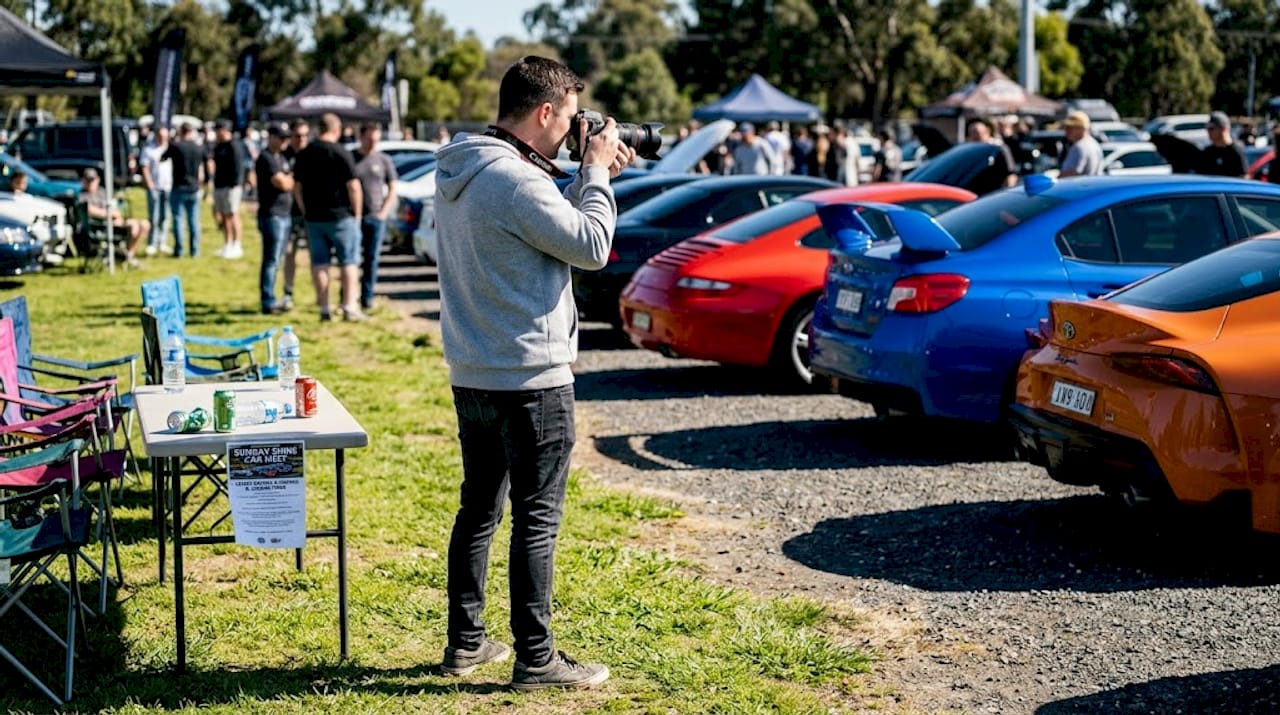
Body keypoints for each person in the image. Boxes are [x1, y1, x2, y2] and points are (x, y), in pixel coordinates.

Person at [434, 54, 634, 691]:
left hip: (474, 371)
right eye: (571, 117)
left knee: (478, 511)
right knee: (536, 521)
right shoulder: (517, 180)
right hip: (531, 379)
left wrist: (588, 180)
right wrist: (595, 173)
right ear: (545, 112)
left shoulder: (466, 168)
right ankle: (537, 658)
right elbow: (592, 248)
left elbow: (541, 232)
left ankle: (466, 643)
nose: (577, 129)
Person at [292, 113, 364, 322]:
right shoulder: (341, 152)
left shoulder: (305, 153)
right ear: (336, 129)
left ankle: (324, 308)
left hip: (314, 217)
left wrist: (305, 209)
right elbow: (353, 186)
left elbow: (297, 187)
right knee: (348, 262)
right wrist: (357, 214)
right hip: (341, 216)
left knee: (320, 264)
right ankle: (349, 307)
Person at [352, 123, 398, 312]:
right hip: (354, 217)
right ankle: (349, 295)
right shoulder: (352, 158)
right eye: (369, 139)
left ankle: (367, 296)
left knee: (371, 259)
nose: (372, 142)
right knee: (352, 259)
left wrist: (383, 213)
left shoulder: (383, 160)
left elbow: (393, 188)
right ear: (361, 137)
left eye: (376, 139)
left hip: (375, 217)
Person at [254, 123, 294, 315]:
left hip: (284, 213)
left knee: (278, 258)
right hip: (272, 214)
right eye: (282, 137)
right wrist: (289, 180)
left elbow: (289, 180)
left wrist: (289, 180)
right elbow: (283, 183)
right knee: (271, 259)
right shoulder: (266, 158)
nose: (285, 141)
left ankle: (273, 297)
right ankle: (268, 300)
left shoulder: (281, 157)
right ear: (271, 137)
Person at [78, 168, 148, 268]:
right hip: (99, 227)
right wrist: (109, 214)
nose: (91, 183)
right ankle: (127, 257)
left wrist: (113, 215)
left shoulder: (103, 192)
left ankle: (129, 255)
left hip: (114, 222)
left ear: (98, 180)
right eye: (88, 180)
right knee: (134, 227)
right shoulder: (82, 195)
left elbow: (115, 210)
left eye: (92, 180)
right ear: (83, 181)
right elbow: (91, 210)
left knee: (145, 224)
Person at [280, 118, 312, 312]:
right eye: (297, 136)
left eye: (305, 136)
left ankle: (321, 297)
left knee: (317, 256)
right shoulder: (283, 156)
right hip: (289, 212)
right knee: (289, 253)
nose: (301, 140)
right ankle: (288, 292)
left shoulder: (313, 154)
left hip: (312, 214)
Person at [163, 122, 207, 257]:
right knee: (194, 220)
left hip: (179, 186)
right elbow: (206, 163)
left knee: (178, 219)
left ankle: (180, 250)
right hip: (194, 187)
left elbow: (163, 157)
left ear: (181, 131)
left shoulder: (176, 146)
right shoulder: (198, 147)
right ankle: (195, 250)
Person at [208, 119, 247, 258]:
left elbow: (238, 167)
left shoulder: (234, 145)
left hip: (231, 186)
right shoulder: (219, 146)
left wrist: (235, 184)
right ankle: (227, 244)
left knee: (233, 214)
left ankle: (237, 244)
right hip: (220, 185)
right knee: (224, 216)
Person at [139, 125, 173, 256]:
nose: (163, 139)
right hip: (154, 187)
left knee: (165, 216)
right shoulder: (149, 150)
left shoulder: (170, 148)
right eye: (161, 136)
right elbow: (145, 167)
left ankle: (162, 241)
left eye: (165, 137)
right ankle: (152, 242)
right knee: (154, 216)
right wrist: (149, 184)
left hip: (168, 186)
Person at [967, 119, 1018, 187]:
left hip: (995, 190)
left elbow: (1011, 174)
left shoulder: (998, 149)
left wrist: (1008, 190)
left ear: (987, 132)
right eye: (971, 133)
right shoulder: (970, 151)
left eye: (977, 133)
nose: (974, 136)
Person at [1199, 111, 1248, 178]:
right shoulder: (1207, 152)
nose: (1208, 131)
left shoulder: (1236, 151)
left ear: (1224, 129)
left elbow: (1243, 177)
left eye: (1211, 128)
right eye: (1207, 128)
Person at [1058, 111, 1103, 178]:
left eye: (1070, 127)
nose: (1066, 131)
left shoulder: (1079, 147)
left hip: (1080, 184)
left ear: (1081, 128)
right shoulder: (1094, 144)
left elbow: (1073, 173)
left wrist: (1057, 179)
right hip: (1092, 183)